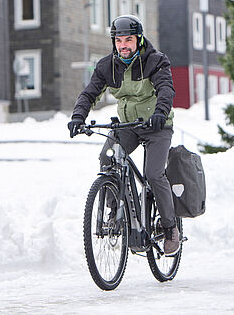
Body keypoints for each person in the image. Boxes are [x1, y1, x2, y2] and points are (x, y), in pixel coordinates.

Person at [67, 14, 180, 256]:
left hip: (156, 126)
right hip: (127, 126)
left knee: (153, 173)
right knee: (107, 159)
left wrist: (160, 113)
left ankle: (170, 228)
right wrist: (78, 116)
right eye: (119, 41)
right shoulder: (107, 65)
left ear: (139, 40)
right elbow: (89, 93)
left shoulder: (156, 61)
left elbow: (166, 90)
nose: (123, 45)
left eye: (128, 40)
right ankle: (115, 212)